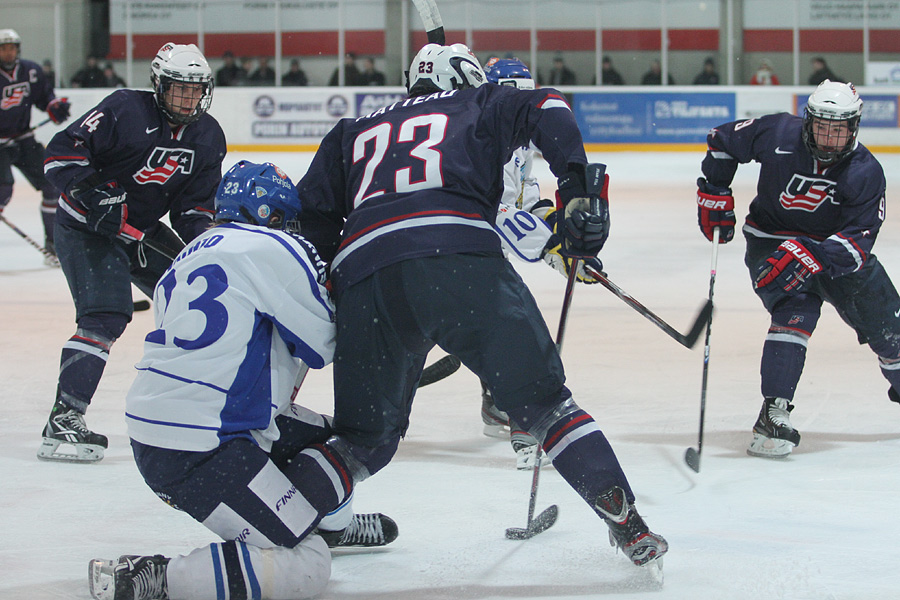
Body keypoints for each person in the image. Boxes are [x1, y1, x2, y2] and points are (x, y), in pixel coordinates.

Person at [293, 42, 668, 572]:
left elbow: (312, 221)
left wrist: (338, 295)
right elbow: (550, 106)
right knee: (546, 406)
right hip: (458, 257)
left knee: (361, 443)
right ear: (467, 77)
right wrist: (580, 190)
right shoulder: (481, 103)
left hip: (366, 273)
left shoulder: (351, 130)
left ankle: (271, 515)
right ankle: (629, 524)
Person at [87, 161, 397, 600]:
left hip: (168, 427)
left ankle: (330, 526)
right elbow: (328, 343)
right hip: (204, 446)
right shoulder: (275, 247)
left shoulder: (185, 258)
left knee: (335, 438)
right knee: (306, 564)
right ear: (272, 216)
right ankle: (158, 575)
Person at [38, 43, 226, 463]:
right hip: (85, 226)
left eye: (195, 91)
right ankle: (63, 419)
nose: (187, 99)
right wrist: (93, 192)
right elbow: (60, 153)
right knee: (106, 313)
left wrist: (209, 241)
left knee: (196, 303)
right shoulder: (124, 109)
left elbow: (194, 207)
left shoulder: (208, 136)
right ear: (159, 85)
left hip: (140, 229)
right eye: (179, 89)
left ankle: (197, 406)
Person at [695, 80, 900, 459]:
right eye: (822, 125)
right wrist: (714, 191)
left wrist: (813, 256)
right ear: (808, 121)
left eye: (839, 129)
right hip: (772, 240)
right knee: (795, 310)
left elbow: (857, 243)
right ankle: (773, 414)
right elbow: (722, 139)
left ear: (854, 127)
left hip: (834, 252)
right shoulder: (777, 132)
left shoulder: (865, 171)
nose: (829, 136)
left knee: (891, 332)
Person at [480, 56, 606, 470]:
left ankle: (506, 408)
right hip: (461, 253)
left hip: (476, 257)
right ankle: (521, 420)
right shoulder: (479, 142)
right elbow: (496, 213)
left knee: (502, 331)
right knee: (512, 334)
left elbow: (526, 201)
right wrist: (555, 251)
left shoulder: (518, 146)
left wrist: (566, 237)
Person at [0, 28, 70, 265]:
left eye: (11, 47)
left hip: (23, 139)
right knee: (3, 189)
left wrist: (54, 107)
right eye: (3, 48)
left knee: (52, 184)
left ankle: (53, 246)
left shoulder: (30, 71)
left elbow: (45, 98)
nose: (8, 52)